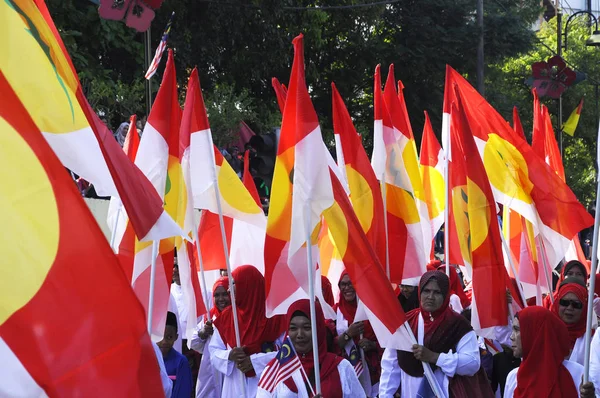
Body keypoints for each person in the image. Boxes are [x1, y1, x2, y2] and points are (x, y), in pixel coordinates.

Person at [379, 270, 491, 398]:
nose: (430, 297)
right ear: (420, 291)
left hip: (447, 391)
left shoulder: (458, 324)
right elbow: (390, 365)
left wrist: (435, 357)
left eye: (437, 292)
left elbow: (472, 363)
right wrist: (385, 395)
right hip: (410, 391)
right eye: (426, 291)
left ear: (445, 295)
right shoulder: (406, 323)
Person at [257, 299, 365, 397]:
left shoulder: (341, 367)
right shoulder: (275, 370)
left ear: (318, 329)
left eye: (307, 327)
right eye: (293, 328)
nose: (299, 334)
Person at [210, 265, 286, 396]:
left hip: (266, 385)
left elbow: (287, 354)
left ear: (248, 286)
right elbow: (214, 351)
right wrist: (230, 355)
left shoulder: (276, 318)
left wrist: (255, 362)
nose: (229, 289)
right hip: (234, 386)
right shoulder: (227, 318)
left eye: (233, 283)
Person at [504, 306, 583, 397]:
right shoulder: (513, 378)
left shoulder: (577, 373)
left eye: (517, 330)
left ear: (535, 333)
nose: (511, 337)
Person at [336, 271, 383, 397]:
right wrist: (348, 334)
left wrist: (372, 345)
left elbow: (388, 342)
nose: (347, 288)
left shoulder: (373, 310)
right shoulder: (335, 313)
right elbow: (330, 346)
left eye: (351, 284)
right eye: (343, 284)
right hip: (348, 375)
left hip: (375, 376)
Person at [190, 276, 231, 398]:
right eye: (216, 295)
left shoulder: (237, 316)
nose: (221, 299)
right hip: (210, 370)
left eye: (225, 294)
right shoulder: (209, 316)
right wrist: (203, 333)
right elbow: (193, 342)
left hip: (229, 368)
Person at [550, 279, 588, 365]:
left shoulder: (591, 339)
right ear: (557, 304)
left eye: (576, 304)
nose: (570, 308)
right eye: (564, 302)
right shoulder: (546, 332)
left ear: (585, 308)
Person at [158, 311, 193, 398]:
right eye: (161, 336)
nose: (164, 342)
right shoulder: (149, 360)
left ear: (176, 337)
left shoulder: (181, 362)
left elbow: (183, 392)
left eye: (169, 337)